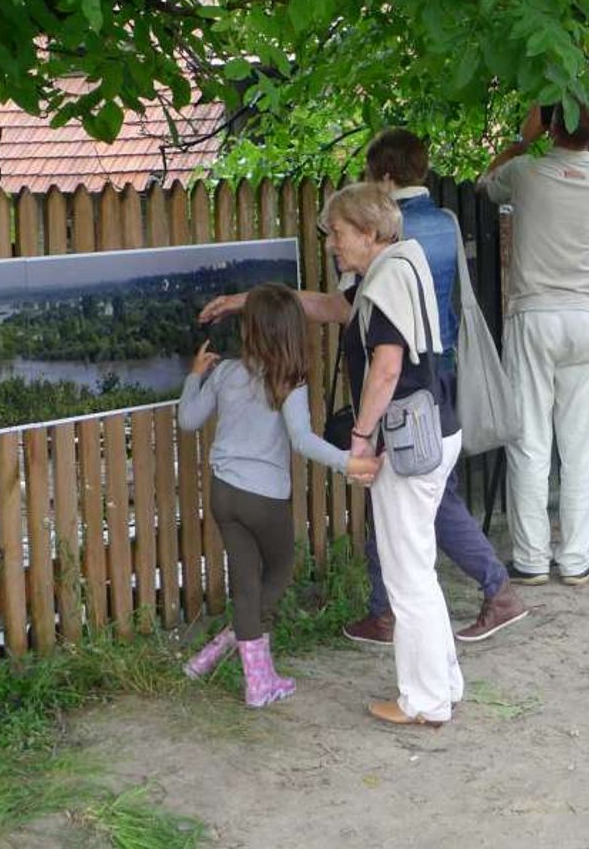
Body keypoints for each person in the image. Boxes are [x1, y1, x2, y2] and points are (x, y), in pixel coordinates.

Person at [203, 184, 464, 727]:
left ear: (369, 232)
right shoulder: (394, 266)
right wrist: (247, 300)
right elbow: (325, 307)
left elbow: (387, 368)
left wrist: (361, 438)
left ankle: (425, 700)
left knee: (406, 576)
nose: (330, 244)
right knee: (418, 566)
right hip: (433, 428)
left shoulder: (386, 278)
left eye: (338, 233)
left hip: (405, 441)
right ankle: (444, 683)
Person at [343, 127, 526, 645]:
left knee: (425, 497)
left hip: (402, 378)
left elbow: (356, 313)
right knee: (417, 491)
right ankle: (383, 611)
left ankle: (496, 590)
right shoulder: (444, 220)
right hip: (443, 368)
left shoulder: (388, 235)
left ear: (382, 176)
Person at [179, 283, 380, 707]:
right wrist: (348, 462)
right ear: (292, 331)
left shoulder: (227, 372)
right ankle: (244, 660)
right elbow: (303, 441)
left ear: (250, 329)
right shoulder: (289, 381)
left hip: (223, 494)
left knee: (247, 584)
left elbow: (188, 420)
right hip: (264, 499)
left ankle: (250, 671)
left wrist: (195, 376)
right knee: (280, 568)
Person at [478, 103, 589, 586]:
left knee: (530, 441)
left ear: (551, 126)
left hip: (534, 315)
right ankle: (578, 559)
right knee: (580, 445)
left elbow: (485, 184)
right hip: (586, 317)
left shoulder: (525, 173)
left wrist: (523, 138)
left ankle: (531, 558)